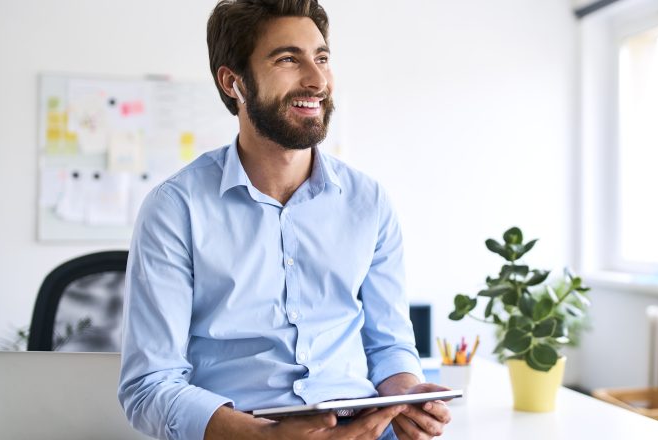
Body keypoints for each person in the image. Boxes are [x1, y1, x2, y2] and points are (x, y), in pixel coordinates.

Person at [117, 1, 451, 439]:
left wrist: (407, 397)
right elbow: (149, 385)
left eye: (322, 58)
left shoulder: (368, 201)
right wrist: (263, 437)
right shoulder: (175, 208)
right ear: (233, 82)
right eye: (289, 59)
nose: (317, 80)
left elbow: (388, 344)